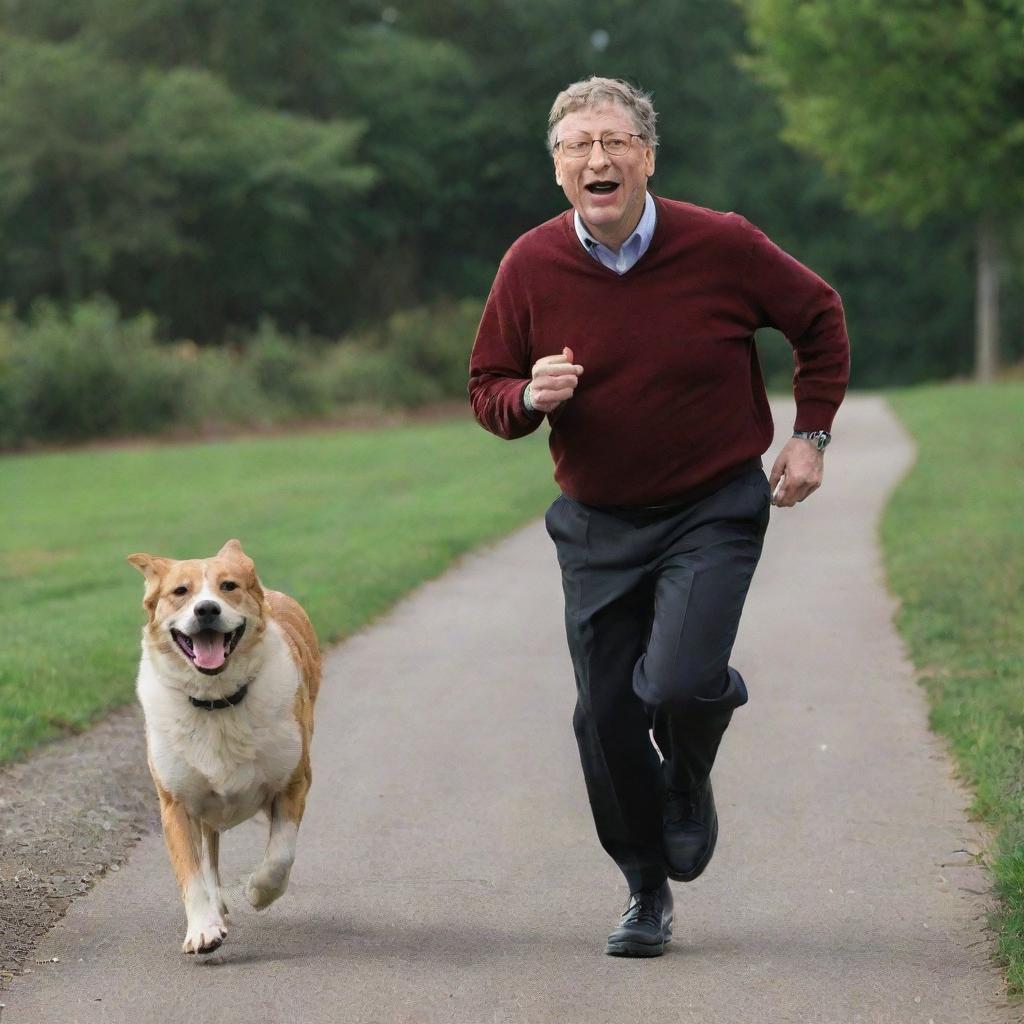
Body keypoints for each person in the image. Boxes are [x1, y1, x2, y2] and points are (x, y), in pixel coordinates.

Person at [468, 76, 850, 958]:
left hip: (712, 504)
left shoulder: (722, 244)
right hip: (598, 521)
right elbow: (487, 387)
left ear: (647, 155)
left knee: (676, 681)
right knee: (601, 717)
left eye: (613, 141)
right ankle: (645, 888)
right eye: (576, 145)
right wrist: (529, 394)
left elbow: (818, 317)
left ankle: (687, 764)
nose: (596, 159)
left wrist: (811, 436)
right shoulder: (529, 264)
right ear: (557, 166)